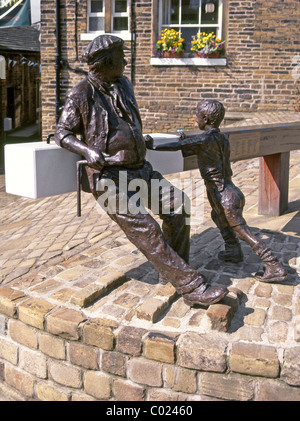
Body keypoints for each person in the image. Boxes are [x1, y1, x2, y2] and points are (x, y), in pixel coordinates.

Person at [55, 35, 228, 306]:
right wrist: (87, 151)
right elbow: (61, 133)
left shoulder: (124, 84)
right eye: (120, 57)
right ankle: (192, 287)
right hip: (107, 178)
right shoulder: (81, 93)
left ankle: (171, 271)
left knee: (179, 205)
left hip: (139, 169)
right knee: (147, 229)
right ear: (105, 62)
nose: (125, 61)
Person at [145, 99, 287, 283]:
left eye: (197, 116)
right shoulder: (221, 137)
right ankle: (233, 251)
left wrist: (152, 145)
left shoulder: (204, 139)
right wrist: (187, 140)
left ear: (204, 118)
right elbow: (193, 146)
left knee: (242, 231)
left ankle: (273, 264)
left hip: (223, 194)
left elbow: (176, 147)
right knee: (217, 217)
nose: (196, 119)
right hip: (229, 190)